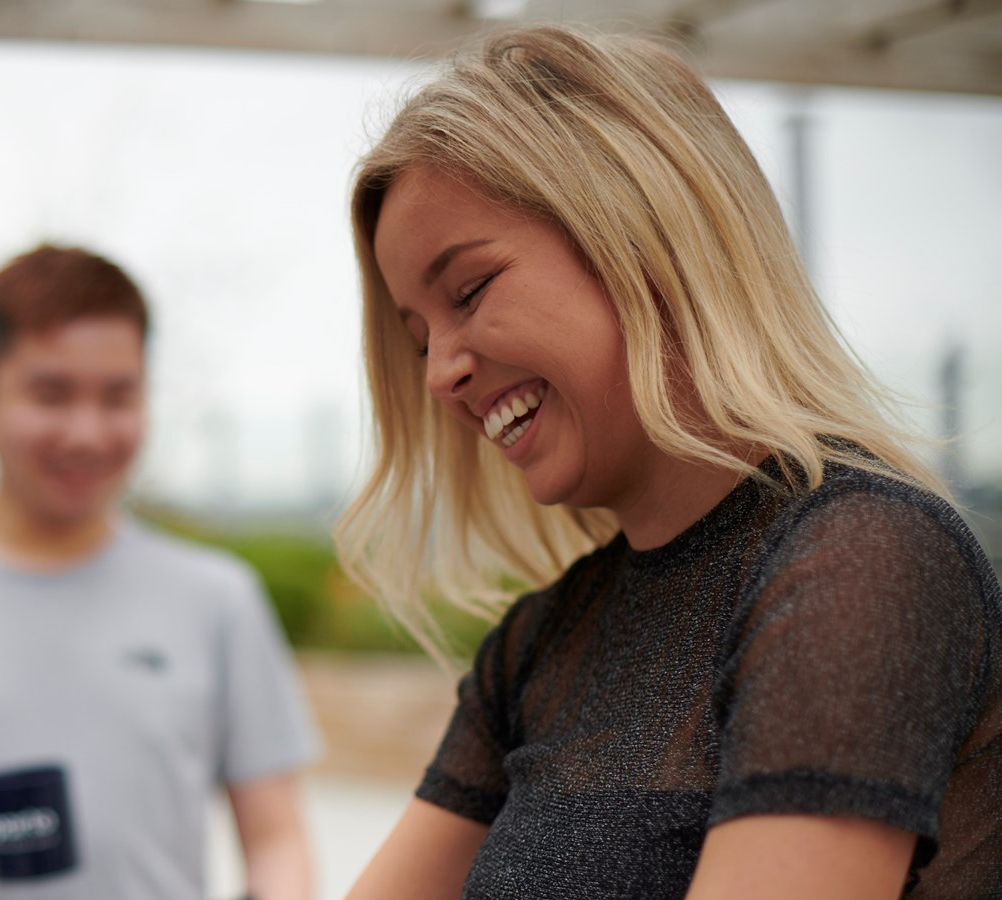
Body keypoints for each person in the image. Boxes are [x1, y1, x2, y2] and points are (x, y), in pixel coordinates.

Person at [333, 24, 1002, 900]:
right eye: (419, 337)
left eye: (469, 292)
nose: (439, 375)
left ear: (646, 238)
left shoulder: (863, 561)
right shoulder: (540, 641)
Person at [0, 245, 320, 899]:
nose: (86, 432)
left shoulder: (218, 598)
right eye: (51, 394)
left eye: (118, 396)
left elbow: (277, 840)